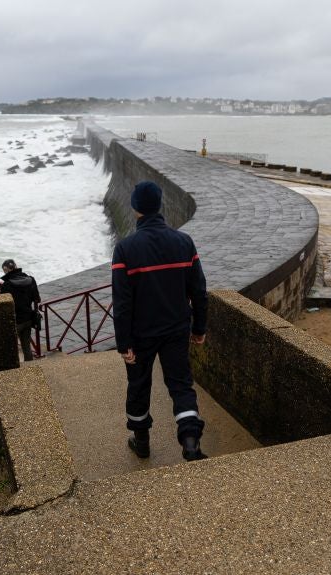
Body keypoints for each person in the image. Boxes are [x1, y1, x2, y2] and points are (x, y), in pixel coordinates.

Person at [111, 181, 209, 462]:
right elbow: (199, 291)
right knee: (180, 385)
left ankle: (141, 442)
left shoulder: (125, 249)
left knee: (139, 385)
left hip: (140, 334)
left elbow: (122, 301)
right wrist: (199, 327)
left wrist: (123, 342)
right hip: (177, 329)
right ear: (159, 206)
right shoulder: (184, 242)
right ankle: (191, 444)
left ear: (135, 208)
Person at [0, 259, 41, 362]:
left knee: (10, 348)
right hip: (28, 318)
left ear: (5, 270)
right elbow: (37, 299)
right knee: (26, 347)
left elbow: (3, 305)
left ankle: (15, 371)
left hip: (14, 321)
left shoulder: (7, 285)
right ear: (16, 266)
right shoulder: (31, 280)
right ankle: (30, 369)